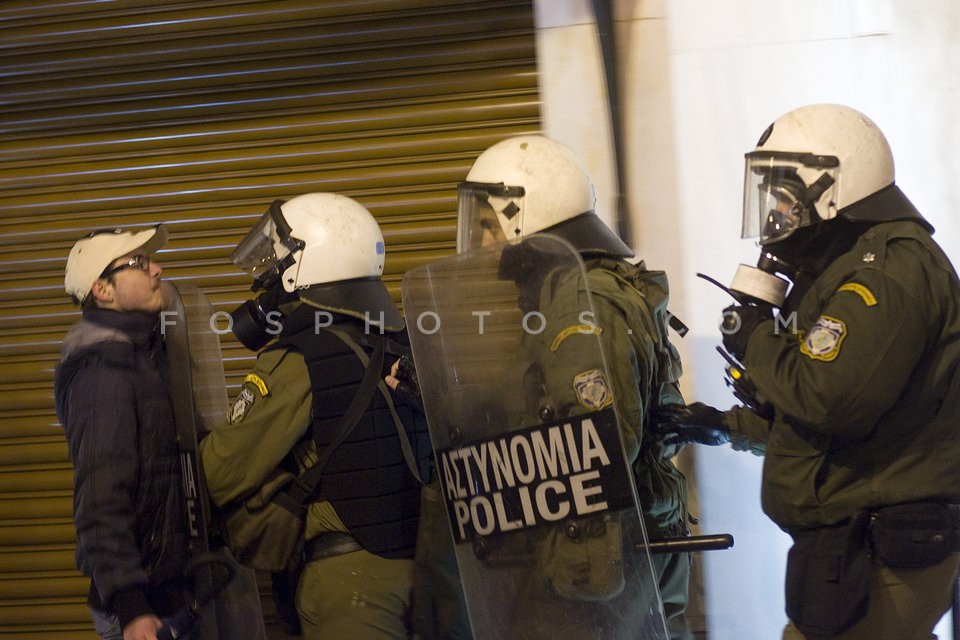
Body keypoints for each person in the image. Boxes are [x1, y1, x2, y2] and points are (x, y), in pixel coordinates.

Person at [656, 103, 960, 639]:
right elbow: (824, 422)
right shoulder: (843, 271)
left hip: (883, 546)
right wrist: (726, 426)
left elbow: (831, 399)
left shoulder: (888, 268)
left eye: (783, 196)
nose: (774, 214)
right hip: (855, 545)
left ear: (831, 190)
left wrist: (758, 340)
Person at [455, 134, 693, 639]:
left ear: (527, 216)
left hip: (602, 554)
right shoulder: (581, 290)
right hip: (616, 543)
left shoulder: (578, 304)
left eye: (486, 227)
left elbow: (596, 444)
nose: (481, 246)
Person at [199, 193, 434, 639]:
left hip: (351, 584)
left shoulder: (298, 357)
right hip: (432, 571)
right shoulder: (406, 343)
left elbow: (221, 470)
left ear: (310, 263)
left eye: (278, 260)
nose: (268, 276)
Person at [54, 226, 192, 640]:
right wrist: (132, 606)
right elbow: (100, 497)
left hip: (171, 595)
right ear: (103, 290)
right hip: (143, 609)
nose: (156, 269)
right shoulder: (104, 372)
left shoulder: (144, 355)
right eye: (138, 263)